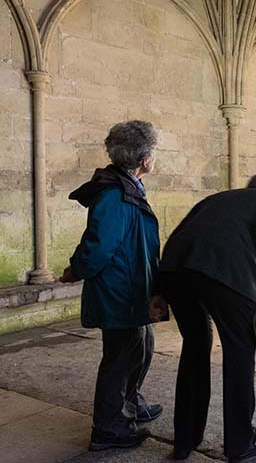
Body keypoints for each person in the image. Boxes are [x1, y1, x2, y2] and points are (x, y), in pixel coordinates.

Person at [149, 173, 256, 462]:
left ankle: (185, 440)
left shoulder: (216, 199)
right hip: (226, 276)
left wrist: (160, 289)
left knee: (196, 348)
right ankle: (241, 443)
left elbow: (177, 236)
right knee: (239, 352)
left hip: (178, 274)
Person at [60, 120, 162, 451]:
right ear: (145, 159)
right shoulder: (116, 195)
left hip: (133, 288)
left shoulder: (127, 187)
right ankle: (108, 429)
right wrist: (76, 270)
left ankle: (130, 405)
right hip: (119, 291)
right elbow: (99, 245)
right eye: (154, 152)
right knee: (120, 358)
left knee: (141, 348)